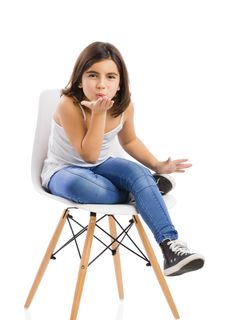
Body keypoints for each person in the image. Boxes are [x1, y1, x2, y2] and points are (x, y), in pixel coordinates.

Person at [41, 41, 204, 276]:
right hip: (63, 170)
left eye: (110, 77)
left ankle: (169, 248)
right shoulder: (69, 104)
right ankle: (143, 190)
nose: (101, 84)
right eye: (93, 75)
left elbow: (129, 142)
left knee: (138, 173)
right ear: (79, 79)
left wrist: (157, 164)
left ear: (119, 84)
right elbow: (88, 154)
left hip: (103, 165)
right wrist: (98, 114)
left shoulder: (125, 107)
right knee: (84, 186)